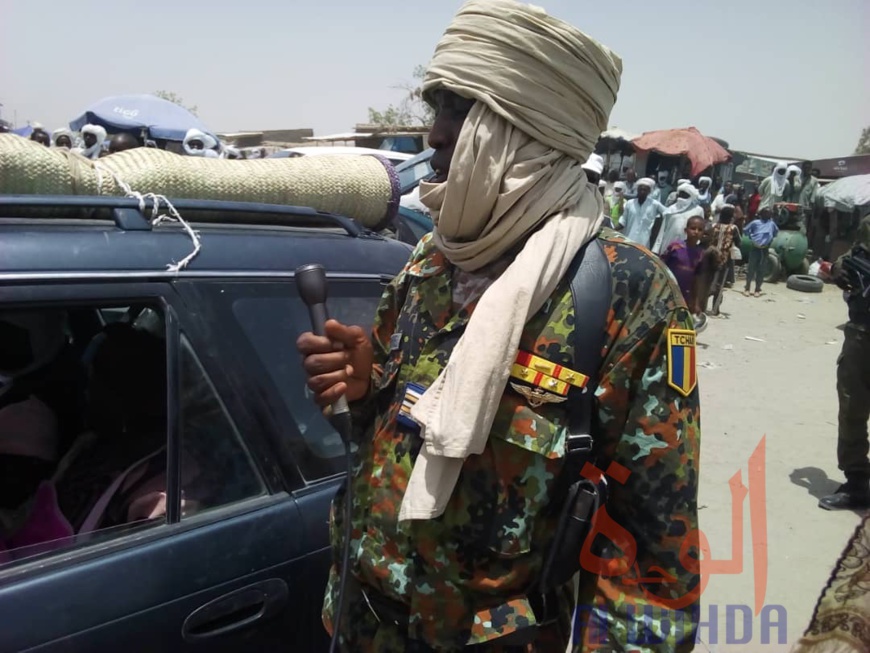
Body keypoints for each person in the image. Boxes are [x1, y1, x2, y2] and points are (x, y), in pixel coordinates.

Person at [296, 1, 700, 650]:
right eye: (435, 110)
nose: (433, 136)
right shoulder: (434, 259)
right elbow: (397, 424)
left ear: (523, 129)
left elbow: (649, 566)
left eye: (456, 110)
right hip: (363, 622)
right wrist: (368, 385)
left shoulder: (629, 293)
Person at [818, 210, 870, 510]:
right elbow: (850, 259)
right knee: (852, 408)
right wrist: (839, 269)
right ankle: (857, 482)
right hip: (863, 333)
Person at [660, 215, 707, 316]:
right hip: (667, 291)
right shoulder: (675, 247)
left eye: (700, 229)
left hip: (684, 295)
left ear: (703, 233)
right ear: (686, 230)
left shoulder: (700, 254)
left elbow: (696, 279)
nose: (696, 232)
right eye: (693, 228)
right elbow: (661, 266)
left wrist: (696, 303)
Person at [707, 205, 742, 316]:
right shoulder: (733, 228)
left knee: (707, 283)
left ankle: (702, 306)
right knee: (719, 285)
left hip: (710, 259)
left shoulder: (712, 226)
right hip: (724, 260)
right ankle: (715, 309)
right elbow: (739, 242)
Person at [651, 182, 704, 254]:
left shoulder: (698, 210)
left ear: (691, 196)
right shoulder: (671, 209)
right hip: (668, 243)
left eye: (685, 195)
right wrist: (656, 249)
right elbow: (662, 231)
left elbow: (700, 229)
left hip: (687, 247)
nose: (681, 197)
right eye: (680, 194)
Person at [619, 176, 667, 248]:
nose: (642, 191)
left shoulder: (654, 204)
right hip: (628, 240)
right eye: (640, 189)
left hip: (644, 243)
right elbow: (623, 221)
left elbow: (667, 213)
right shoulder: (629, 203)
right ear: (637, 190)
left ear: (649, 191)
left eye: (645, 190)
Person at [743, 208, 779, 297]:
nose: (768, 215)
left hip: (765, 249)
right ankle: (747, 288)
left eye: (769, 213)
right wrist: (751, 236)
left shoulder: (772, 224)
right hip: (755, 248)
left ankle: (757, 289)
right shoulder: (755, 223)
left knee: (761, 270)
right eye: (766, 213)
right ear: (761, 214)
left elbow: (775, 233)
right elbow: (745, 230)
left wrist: (769, 239)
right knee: (751, 269)